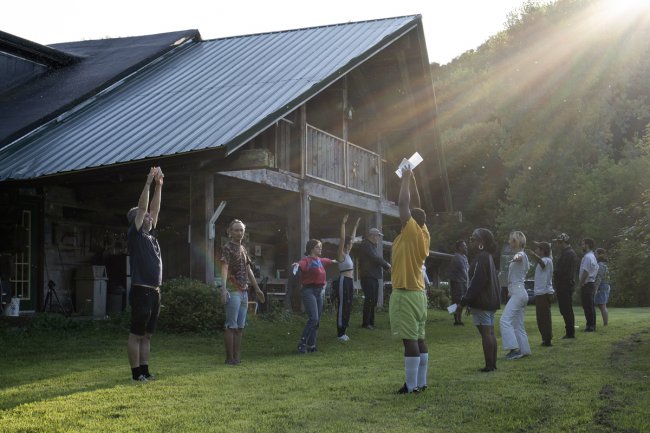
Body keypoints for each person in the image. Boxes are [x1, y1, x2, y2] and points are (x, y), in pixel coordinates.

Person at [389, 168, 430, 394]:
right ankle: (421, 383)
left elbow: (404, 204)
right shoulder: (423, 232)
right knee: (420, 339)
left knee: (410, 341)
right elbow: (416, 206)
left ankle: (411, 386)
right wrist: (413, 180)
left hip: (405, 293)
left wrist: (404, 178)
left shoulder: (411, 231)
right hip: (419, 294)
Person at [126, 166, 164, 382]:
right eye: (145, 216)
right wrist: (148, 182)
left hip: (155, 292)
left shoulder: (151, 236)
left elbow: (155, 209)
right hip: (141, 291)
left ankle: (145, 370)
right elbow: (143, 208)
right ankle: (135, 373)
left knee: (148, 335)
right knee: (137, 334)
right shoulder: (136, 234)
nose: (150, 217)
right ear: (137, 220)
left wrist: (159, 186)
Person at [220, 219, 265, 365]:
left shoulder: (243, 249)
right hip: (233, 290)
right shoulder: (227, 247)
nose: (239, 232)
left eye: (241, 230)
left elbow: (248, 269)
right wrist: (223, 288)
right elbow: (224, 267)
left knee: (240, 327)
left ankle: (236, 358)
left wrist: (257, 288)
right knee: (230, 325)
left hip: (244, 291)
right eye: (236, 230)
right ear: (230, 232)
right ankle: (229, 358)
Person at [460, 228, 501, 372]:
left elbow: (477, 281)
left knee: (486, 333)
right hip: (489, 300)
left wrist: (465, 300)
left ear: (481, 242)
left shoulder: (482, 257)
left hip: (483, 301)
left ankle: (490, 366)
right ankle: (492, 365)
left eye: (473, 239)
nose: (470, 242)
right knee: (489, 332)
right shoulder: (487, 256)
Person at [296, 239, 337, 353]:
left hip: (319, 292)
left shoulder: (320, 261)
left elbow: (329, 261)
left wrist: (336, 260)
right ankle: (302, 344)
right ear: (311, 249)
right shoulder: (307, 261)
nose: (320, 249)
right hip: (309, 291)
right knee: (313, 318)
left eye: (321, 247)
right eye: (318, 247)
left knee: (317, 320)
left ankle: (311, 345)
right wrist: (296, 264)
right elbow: (301, 264)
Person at [499, 231, 532, 360]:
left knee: (504, 320)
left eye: (511, 240)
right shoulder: (522, 255)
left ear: (516, 241)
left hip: (518, 293)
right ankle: (524, 350)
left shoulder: (521, 254)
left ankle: (514, 349)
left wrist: (516, 258)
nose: (509, 242)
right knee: (518, 324)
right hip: (518, 292)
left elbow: (519, 256)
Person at [333, 214, 360, 341]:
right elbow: (343, 238)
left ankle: (344, 329)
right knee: (343, 305)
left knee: (348, 305)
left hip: (349, 281)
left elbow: (352, 238)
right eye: (348, 244)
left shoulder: (348, 254)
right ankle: (340, 333)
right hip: (343, 281)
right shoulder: (341, 254)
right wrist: (343, 223)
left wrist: (355, 225)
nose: (350, 245)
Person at [358, 228, 391, 330]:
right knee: (370, 299)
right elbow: (375, 258)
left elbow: (376, 259)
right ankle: (366, 323)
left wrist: (386, 265)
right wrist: (387, 266)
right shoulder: (366, 244)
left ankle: (371, 322)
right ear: (372, 236)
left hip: (373, 276)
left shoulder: (372, 246)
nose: (379, 238)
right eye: (378, 236)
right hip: (368, 276)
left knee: (374, 300)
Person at [526, 241, 554, 347]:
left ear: (543, 250)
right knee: (541, 317)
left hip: (544, 293)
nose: (536, 250)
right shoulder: (545, 260)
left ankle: (547, 340)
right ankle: (545, 338)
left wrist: (533, 255)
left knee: (544, 318)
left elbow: (542, 264)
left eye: (538, 249)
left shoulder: (546, 260)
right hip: (541, 293)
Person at [553, 233, 578, 339]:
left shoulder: (569, 254)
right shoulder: (567, 253)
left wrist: (555, 273)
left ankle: (570, 332)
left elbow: (564, 271)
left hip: (565, 285)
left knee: (566, 309)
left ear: (562, 242)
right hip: (564, 284)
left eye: (558, 242)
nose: (557, 245)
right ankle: (569, 331)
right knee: (565, 309)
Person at [579, 238, 599, 332]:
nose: (581, 246)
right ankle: (592, 324)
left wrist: (581, 282)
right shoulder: (592, 256)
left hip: (587, 283)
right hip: (591, 283)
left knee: (587, 306)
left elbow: (586, 272)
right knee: (590, 305)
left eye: (582, 244)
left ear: (587, 245)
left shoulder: (587, 257)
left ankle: (590, 326)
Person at [449, 240, 469, 326]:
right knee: (456, 301)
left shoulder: (464, 257)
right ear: (459, 248)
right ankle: (456, 320)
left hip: (463, 282)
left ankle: (458, 319)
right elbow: (463, 271)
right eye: (464, 246)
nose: (466, 247)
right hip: (457, 282)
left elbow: (467, 269)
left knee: (461, 301)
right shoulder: (457, 257)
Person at [594, 248, 611, 327]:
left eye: (595, 253)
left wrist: (596, 288)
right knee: (602, 305)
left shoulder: (600, 265)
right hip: (605, 285)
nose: (594, 254)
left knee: (602, 306)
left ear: (599, 254)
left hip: (602, 286)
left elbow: (599, 278)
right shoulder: (605, 264)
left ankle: (605, 324)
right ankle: (605, 323)